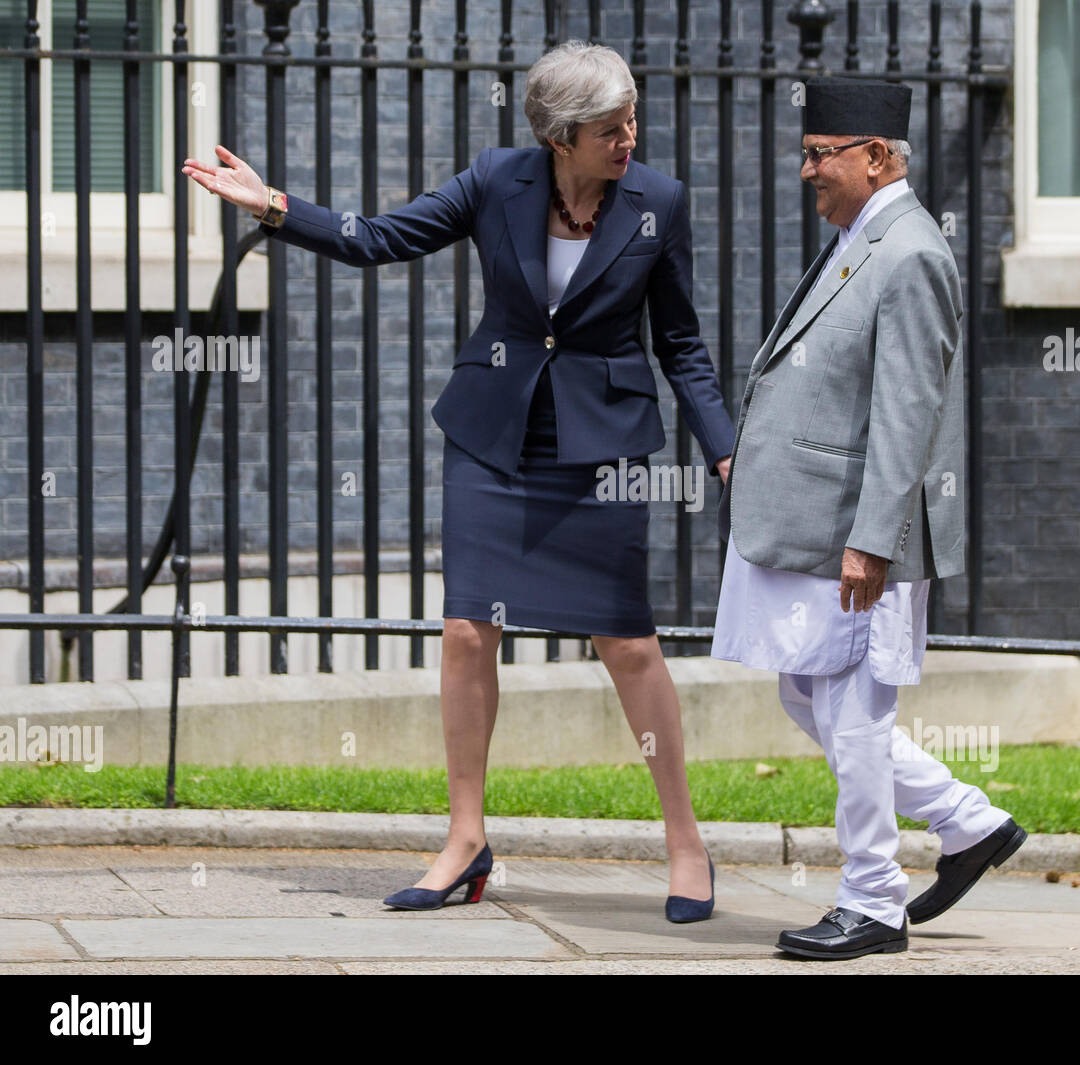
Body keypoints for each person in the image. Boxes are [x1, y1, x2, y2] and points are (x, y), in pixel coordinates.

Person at [183, 41, 733, 922]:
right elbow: (381, 237)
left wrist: (723, 447)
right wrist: (275, 205)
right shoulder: (496, 180)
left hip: (603, 451)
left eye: (632, 120)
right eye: (609, 128)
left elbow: (681, 343)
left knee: (628, 643)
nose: (629, 137)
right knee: (468, 632)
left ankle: (685, 844)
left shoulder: (656, 203)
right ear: (559, 135)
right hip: (492, 438)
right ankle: (466, 839)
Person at [712, 77, 1026, 959]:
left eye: (821, 154)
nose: (807, 170)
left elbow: (908, 413)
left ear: (879, 157)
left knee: (853, 710)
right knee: (806, 692)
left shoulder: (911, 252)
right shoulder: (866, 236)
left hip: (856, 533)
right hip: (818, 521)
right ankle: (968, 821)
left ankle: (873, 899)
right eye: (807, 153)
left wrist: (872, 540)